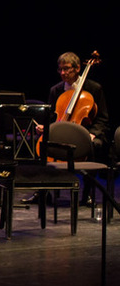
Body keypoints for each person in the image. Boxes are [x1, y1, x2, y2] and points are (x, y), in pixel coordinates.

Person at [47, 52, 110, 205]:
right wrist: (46, 127)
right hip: (62, 132)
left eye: (67, 69)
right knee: (42, 145)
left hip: (87, 133)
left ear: (77, 69)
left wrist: (92, 134)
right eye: (60, 69)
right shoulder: (55, 90)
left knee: (94, 146)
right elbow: (52, 117)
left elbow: (103, 118)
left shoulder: (94, 88)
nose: (63, 73)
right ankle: (43, 191)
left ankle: (87, 193)